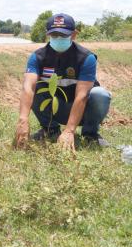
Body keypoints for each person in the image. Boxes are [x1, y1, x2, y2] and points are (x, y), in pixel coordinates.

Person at [14, 13, 111, 153]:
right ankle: (50, 130)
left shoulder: (86, 58)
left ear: (73, 34)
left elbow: (82, 96)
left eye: (63, 35)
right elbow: (28, 87)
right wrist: (23, 119)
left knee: (100, 94)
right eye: (54, 35)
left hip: (83, 111)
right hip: (57, 108)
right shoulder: (38, 57)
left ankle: (90, 134)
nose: (58, 38)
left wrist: (70, 130)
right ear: (48, 35)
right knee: (36, 88)